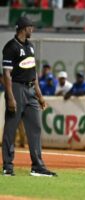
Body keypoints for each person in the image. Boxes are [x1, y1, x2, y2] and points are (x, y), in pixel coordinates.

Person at [1, 16, 57, 177]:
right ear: (24, 28)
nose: (32, 29)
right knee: (11, 128)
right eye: (31, 26)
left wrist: (40, 96)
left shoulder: (30, 47)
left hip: (31, 90)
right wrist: (10, 96)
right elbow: (6, 73)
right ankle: (8, 166)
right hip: (17, 89)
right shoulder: (10, 47)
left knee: (36, 127)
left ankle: (37, 166)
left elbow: (34, 74)